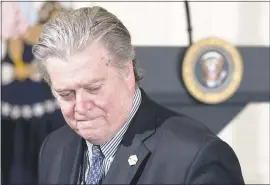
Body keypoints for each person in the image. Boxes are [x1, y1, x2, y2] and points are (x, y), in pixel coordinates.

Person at [33, 6, 245, 185]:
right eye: (66, 94)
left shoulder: (197, 156)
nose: (80, 106)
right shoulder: (54, 147)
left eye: (93, 88)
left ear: (126, 72)